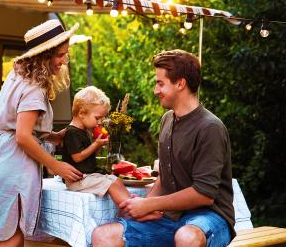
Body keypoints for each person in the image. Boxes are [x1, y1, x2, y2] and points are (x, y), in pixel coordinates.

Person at [92, 49, 235, 247]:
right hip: (171, 218)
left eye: (160, 83)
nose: (155, 90)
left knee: (187, 237)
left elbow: (204, 194)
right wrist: (144, 207)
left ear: (180, 83)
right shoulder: (167, 120)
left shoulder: (210, 128)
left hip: (210, 217)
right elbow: (165, 177)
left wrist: (150, 204)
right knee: (103, 236)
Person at [0, 20, 83, 247]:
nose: (64, 61)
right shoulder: (34, 89)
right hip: (12, 169)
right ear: (43, 56)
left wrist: (54, 136)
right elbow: (23, 136)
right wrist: (56, 165)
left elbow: (21, 127)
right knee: (12, 240)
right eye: (59, 55)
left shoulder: (17, 77)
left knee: (9, 237)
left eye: (66, 54)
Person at [62, 86, 133, 209]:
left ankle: (131, 204)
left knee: (116, 180)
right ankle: (131, 209)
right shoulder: (72, 132)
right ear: (81, 113)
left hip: (87, 176)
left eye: (103, 117)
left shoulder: (84, 130)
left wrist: (98, 144)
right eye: (97, 118)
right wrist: (96, 144)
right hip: (77, 180)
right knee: (110, 184)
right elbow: (77, 157)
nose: (101, 122)